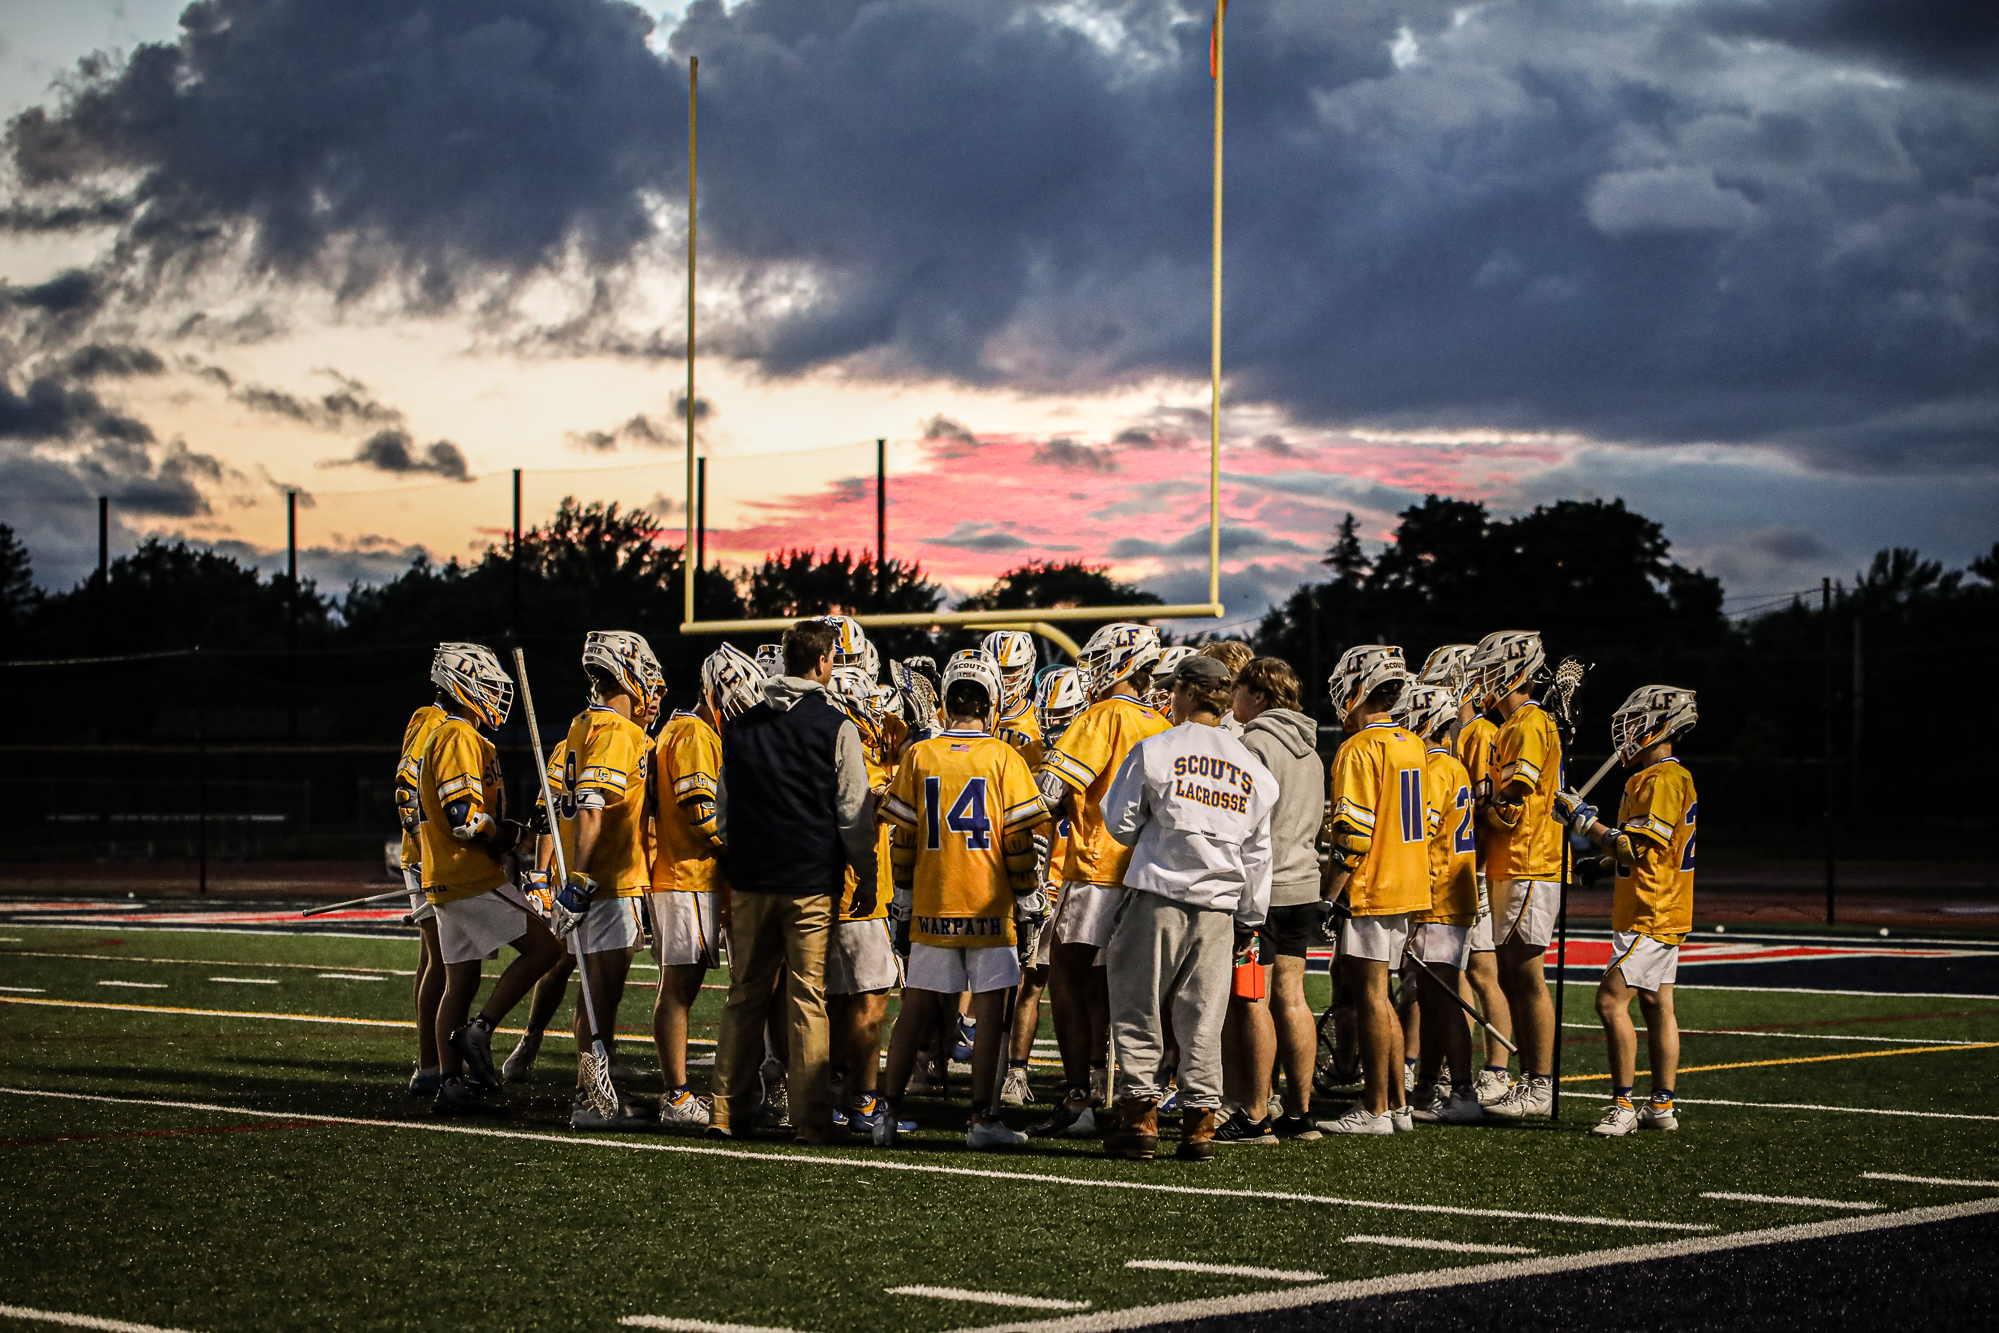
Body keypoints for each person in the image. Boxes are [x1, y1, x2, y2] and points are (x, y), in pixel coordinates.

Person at [1099, 653, 1275, 1162]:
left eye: (1174, 691)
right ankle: (1200, 1123)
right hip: (1220, 907)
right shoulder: (1252, 767)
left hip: (1158, 895)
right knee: (1202, 1019)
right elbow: (1258, 854)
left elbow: (1120, 822)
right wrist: (1250, 918)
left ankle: (1139, 1118)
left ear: (1189, 693)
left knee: (1137, 1009)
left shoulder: (1157, 749)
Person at [708, 618, 878, 1143]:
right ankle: (810, 1119)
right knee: (807, 999)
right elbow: (852, 813)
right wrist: (865, 873)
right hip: (809, 880)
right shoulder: (836, 725)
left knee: (744, 996)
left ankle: (723, 1110)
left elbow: (723, 814)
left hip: (753, 879)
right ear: (825, 662)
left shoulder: (739, 726)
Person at [875, 651, 1047, 1149]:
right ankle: (981, 1120)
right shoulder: (1004, 758)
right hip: (988, 906)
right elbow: (1017, 843)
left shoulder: (920, 755)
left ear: (947, 699)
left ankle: (887, 1114)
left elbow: (902, 840)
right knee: (991, 1015)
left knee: (915, 1009)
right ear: (991, 701)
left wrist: (903, 902)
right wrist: (1029, 899)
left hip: (932, 901)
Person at [1031, 622, 1170, 1136]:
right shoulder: (1160, 723)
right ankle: (1125, 1096)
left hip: (1096, 868)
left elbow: (1051, 790)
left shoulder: (1102, 716)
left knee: (1065, 976)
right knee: (1117, 988)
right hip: (1147, 873)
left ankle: (1077, 1098)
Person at [414, 643, 561, 1115]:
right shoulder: (457, 735)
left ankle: (450, 1083)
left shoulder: (453, 736)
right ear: (462, 683)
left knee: (461, 980)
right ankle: (482, 1030)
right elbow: (464, 818)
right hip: (468, 875)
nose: (496, 693)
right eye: (487, 682)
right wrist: (510, 834)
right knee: (547, 949)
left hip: (445, 877)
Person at [1557, 686, 1699, 1137]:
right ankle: (1662, 1106)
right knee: (1658, 1005)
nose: (1628, 731)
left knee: (1609, 1001)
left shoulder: (1662, 779)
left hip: (1650, 910)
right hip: (1660, 904)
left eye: (1637, 722)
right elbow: (1651, 851)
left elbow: (1634, 848)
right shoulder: (1652, 778)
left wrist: (1585, 822)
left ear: (1661, 725)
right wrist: (1600, 864)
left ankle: (1622, 1103)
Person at [547, 630, 663, 1129]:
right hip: (608, 880)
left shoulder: (583, 723)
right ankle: (591, 1100)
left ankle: (592, 1089)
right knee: (602, 992)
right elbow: (592, 806)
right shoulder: (619, 731)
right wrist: (580, 878)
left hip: (597, 878)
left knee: (593, 991)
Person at [646, 645, 761, 1128]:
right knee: (680, 987)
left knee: (686, 986)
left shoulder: (685, 729)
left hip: (693, 875)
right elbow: (700, 814)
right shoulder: (693, 732)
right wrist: (741, 851)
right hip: (687, 875)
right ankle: (675, 1096)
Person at [1318, 645, 1429, 1136]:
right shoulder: (1413, 743)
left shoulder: (1359, 748)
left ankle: (1376, 1108)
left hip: (1373, 885)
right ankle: (1398, 1105)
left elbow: (1355, 837)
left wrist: (1329, 893)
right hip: (1407, 880)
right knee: (1383, 996)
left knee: (1370, 997)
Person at [1218, 655, 1325, 1143]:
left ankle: (1256, 1112)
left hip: (1265, 888)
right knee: (1294, 998)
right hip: (1304, 881)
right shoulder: (1311, 748)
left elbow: (1244, 823)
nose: (1232, 699)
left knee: (1252, 998)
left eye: (1239, 689)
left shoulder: (1255, 745)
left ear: (1258, 695)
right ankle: (1301, 1113)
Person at [1468, 630, 1563, 1120]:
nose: (1481, 679)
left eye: (1489, 670)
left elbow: (1516, 795)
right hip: (1514, 860)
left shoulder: (1527, 723)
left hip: (1530, 859)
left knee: (1526, 975)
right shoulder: (1514, 724)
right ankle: (1529, 1079)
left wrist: (1483, 809)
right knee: (1512, 973)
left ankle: (1540, 1084)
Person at [1425, 642, 1516, 1106]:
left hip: (1464, 869)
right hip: (1463, 866)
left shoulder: (1476, 733)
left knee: (1478, 972)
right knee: (1458, 975)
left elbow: (1483, 806)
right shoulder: (1465, 732)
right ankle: (1440, 1070)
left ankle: (1495, 1070)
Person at [1396, 681, 1483, 1124]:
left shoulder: (1431, 769)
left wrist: (1408, 899)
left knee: (1443, 999)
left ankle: (1463, 1091)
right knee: (1432, 999)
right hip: (1449, 893)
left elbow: (1419, 835)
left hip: (1438, 895)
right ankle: (1428, 1084)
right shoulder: (1452, 767)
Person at [1002, 664, 1088, 1108]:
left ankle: (1091, 1074)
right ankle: (1015, 1072)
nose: (1055, 727)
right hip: (1043, 879)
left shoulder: (1094, 747)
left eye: (1065, 716)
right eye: (1049, 716)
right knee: (1029, 980)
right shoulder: (1031, 751)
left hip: (1081, 879)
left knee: (1088, 985)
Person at [823, 661, 902, 1138]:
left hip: (826, 894)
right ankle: (863, 1100)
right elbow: (886, 808)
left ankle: (825, 1095)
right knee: (871, 1003)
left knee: (830, 1003)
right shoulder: (860, 765)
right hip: (858, 898)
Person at [393, 684, 449, 1096]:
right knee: (442, 962)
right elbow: (406, 787)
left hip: (430, 854)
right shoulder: (432, 719)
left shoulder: (444, 724)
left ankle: (428, 1061)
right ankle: (431, 1063)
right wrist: (427, 846)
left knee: (434, 959)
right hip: (428, 856)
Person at [984, 630, 1042, 759]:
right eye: (996, 669)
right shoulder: (960, 716)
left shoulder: (1040, 720)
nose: (1003, 677)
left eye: (1010, 669)